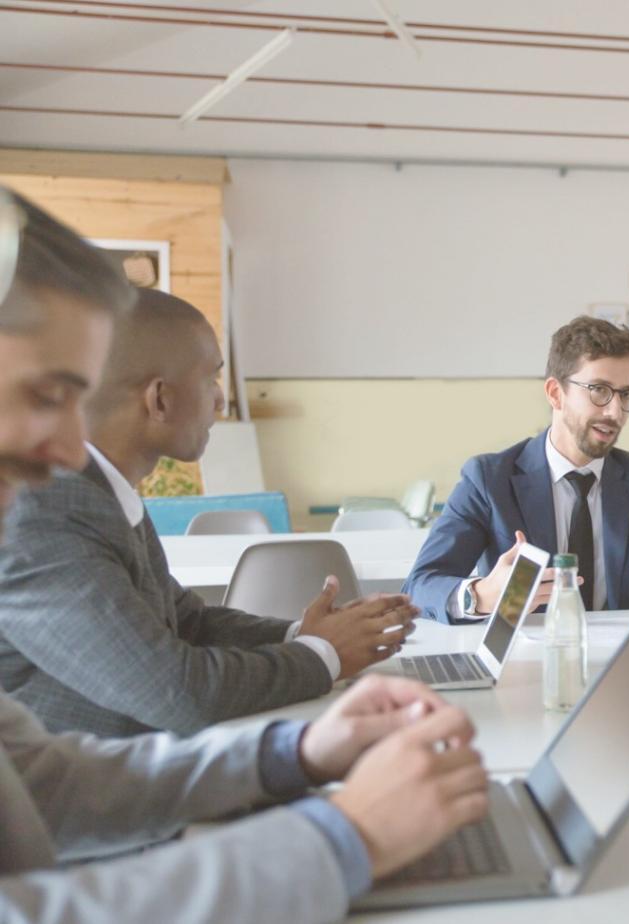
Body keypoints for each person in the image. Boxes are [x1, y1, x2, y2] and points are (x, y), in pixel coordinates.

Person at [0, 187, 488, 922]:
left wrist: (301, 752)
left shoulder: (76, 497)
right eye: (45, 396)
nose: (73, 447)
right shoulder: (43, 513)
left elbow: (40, 784)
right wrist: (344, 834)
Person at [0, 287, 417, 738]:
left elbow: (189, 623)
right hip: (74, 802)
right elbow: (179, 693)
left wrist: (303, 634)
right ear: (159, 399)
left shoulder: (94, 493)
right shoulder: (39, 511)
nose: (220, 401)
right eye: (211, 380)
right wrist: (324, 653)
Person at [405, 316, 629, 622]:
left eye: (626, 394)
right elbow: (421, 586)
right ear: (555, 393)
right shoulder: (489, 478)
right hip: (524, 662)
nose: (615, 412)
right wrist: (482, 595)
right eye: (599, 390)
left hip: (618, 667)